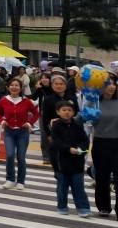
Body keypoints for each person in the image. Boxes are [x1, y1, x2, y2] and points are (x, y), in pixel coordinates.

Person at [0, 76, 40, 190]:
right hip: (9, 131)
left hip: (22, 132)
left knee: (21, 157)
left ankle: (21, 181)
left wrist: (29, 123)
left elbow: (36, 113)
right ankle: (10, 179)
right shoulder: (4, 100)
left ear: (20, 88)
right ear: (8, 87)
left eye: (17, 86)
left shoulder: (26, 101)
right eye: (12, 85)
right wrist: (2, 121)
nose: (14, 87)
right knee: (9, 155)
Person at [49, 100, 92, 217]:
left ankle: (83, 208)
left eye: (69, 110)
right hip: (61, 162)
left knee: (78, 186)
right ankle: (62, 206)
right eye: (64, 110)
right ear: (58, 112)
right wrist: (68, 149)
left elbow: (85, 140)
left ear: (73, 112)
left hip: (77, 162)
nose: (67, 112)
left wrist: (80, 148)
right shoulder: (56, 126)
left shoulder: (77, 125)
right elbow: (56, 142)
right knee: (62, 187)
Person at [37, 71, 76, 168]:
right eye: (56, 84)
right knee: (55, 154)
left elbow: (77, 113)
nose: (59, 86)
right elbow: (45, 118)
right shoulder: (48, 99)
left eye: (61, 84)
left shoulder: (71, 98)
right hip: (54, 129)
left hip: (69, 129)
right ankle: (48, 158)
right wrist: (49, 134)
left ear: (65, 85)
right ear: (52, 85)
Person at [91, 79, 117, 218]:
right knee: (102, 177)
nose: (112, 87)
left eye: (114, 84)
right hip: (101, 143)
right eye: (108, 84)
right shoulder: (94, 102)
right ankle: (103, 206)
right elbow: (83, 117)